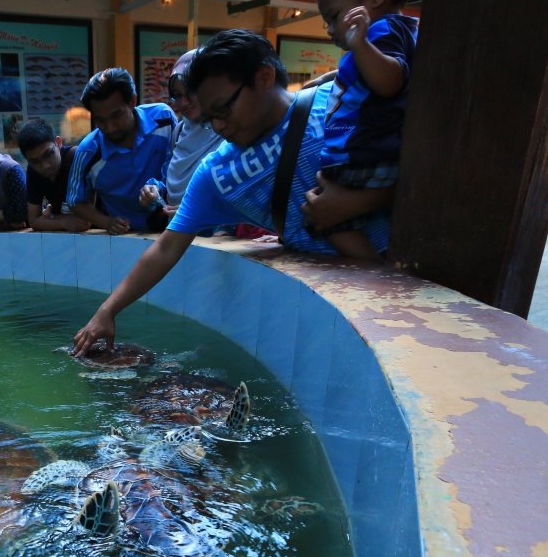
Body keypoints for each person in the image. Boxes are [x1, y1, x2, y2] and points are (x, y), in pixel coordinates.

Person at [72, 29, 390, 356]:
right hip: (344, 313)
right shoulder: (217, 174)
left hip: (409, 277)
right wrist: (107, 311)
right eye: (209, 118)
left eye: (223, 110)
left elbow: (419, 164)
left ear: (264, 77)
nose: (219, 126)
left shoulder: (338, 101)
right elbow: (166, 248)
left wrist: (360, 202)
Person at [305, 0, 418, 253]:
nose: (331, 29)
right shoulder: (389, 35)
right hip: (364, 153)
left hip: (363, 154)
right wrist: (328, 77)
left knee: (320, 217)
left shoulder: (383, 31)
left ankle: (370, 268)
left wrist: (361, 44)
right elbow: (367, 73)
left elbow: (390, 80)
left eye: (333, 16)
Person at [65, 67, 177, 234]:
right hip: (126, 238)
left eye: (116, 115)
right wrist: (106, 222)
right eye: (100, 120)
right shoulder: (88, 151)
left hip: (175, 227)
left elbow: (179, 162)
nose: (109, 127)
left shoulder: (164, 118)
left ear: (133, 101)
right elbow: (75, 201)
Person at [137, 49, 227, 233]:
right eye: (176, 95)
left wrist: (202, 214)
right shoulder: (179, 130)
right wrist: (154, 191)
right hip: (179, 233)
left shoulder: (228, 129)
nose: (183, 102)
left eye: (191, 92)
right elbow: (169, 180)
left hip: (220, 240)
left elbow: (240, 193)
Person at [16, 118, 91, 232]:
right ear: (27, 160)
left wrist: (51, 218)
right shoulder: (33, 171)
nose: (45, 165)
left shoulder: (76, 159)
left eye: (49, 154)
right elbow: (34, 221)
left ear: (58, 143)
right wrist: (62, 222)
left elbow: (85, 221)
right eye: (35, 161)